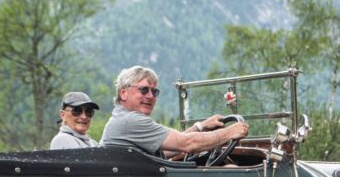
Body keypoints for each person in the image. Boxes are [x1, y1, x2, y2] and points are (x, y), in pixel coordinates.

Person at [100, 65, 249, 157]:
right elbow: (187, 144)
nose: (150, 96)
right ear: (123, 93)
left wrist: (200, 126)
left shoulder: (122, 119)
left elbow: (167, 150)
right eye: (144, 90)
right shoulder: (131, 121)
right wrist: (229, 132)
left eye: (154, 92)